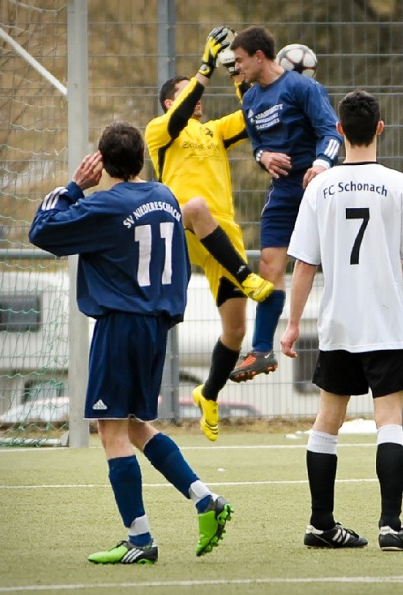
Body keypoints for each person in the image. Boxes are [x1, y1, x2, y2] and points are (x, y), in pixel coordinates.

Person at [29, 123, 233, 564]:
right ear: (142, 157)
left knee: (110, 430)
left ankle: (140, 540)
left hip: (120, 324)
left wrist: (74, 186)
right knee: (135, 424)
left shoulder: (102, 205)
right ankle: (205, 500)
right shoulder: (164, 197)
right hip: (155, 325)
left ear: (101, 162)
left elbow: (42, 231)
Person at [280, 90, 403, 551]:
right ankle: (390, 526)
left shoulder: (319, 186)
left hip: (338, 322)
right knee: (389, 422)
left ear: (339, 131)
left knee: (327, 421)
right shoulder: (401, 185)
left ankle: (321, 524)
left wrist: (290, 324)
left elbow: (303, 265)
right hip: (384, 321)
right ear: (380, 128)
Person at [145, 26, 273, 443]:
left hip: (220, 232)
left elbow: (251, 118)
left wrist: (239, 75)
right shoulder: (160, 130)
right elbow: (180, 114)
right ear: (171, 101)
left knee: (235, 331)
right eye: (186, 93)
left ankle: (209, 393)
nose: (196, 99)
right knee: (196, 206)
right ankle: (245, 274)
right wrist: (203, 67)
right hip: (179, 226)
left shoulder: (215, 131)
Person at [227, 26, 343, 383]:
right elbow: (257, 144)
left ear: (260, 56)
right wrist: (264, 156)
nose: (237, 68)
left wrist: (321, 164)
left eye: (241, 61)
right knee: (269, 264)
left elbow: (331, 132)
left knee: (333, 264)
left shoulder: (302, 87)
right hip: (282, 191)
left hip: (317, 186)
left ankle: (347, 341)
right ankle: (262, 350)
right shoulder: (250, 99)